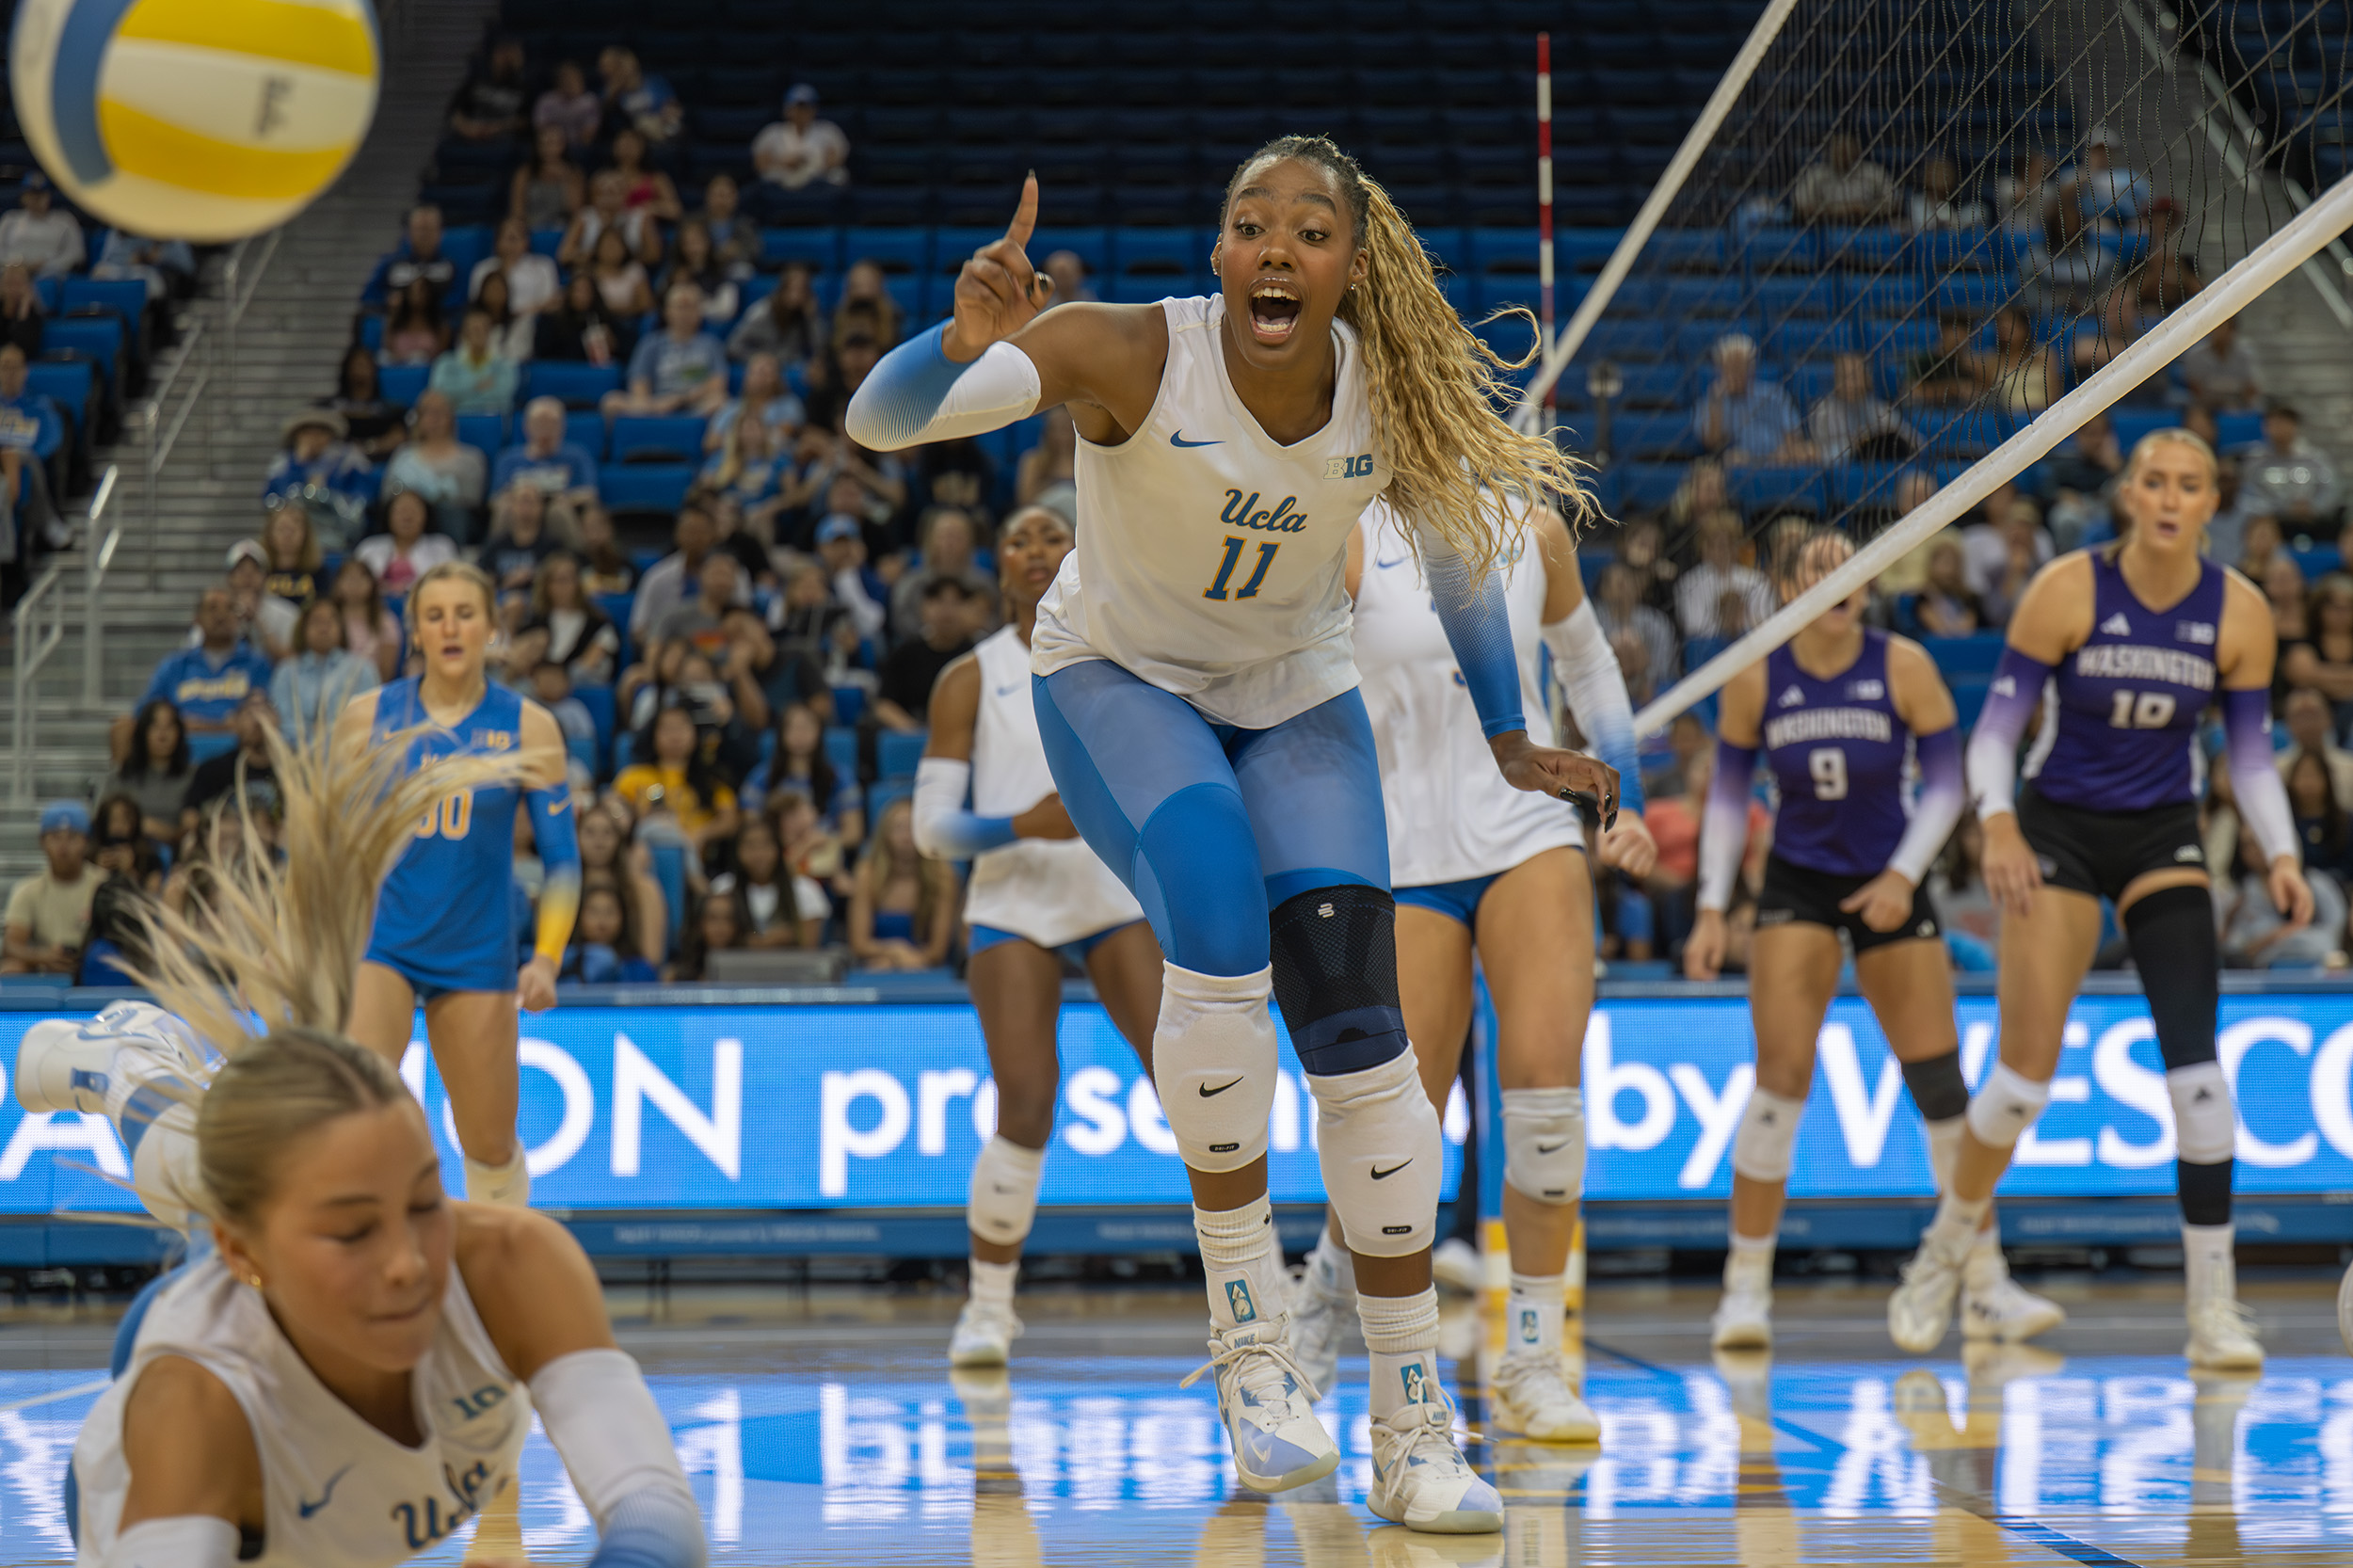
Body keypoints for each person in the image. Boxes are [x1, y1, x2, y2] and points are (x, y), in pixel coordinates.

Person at [844, 143, 1610, 1531]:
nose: (1273, 248)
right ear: (1217, 254)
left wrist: (1507, 730)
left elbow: (1447, 552)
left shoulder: (1392, 390)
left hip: (1291, 688)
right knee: (1208, 894)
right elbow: (879, 422)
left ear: (1349, 267)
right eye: (1248, 224)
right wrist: (953, 348)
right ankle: (1252, 1340)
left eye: (1308, 231)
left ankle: (1411, 1419)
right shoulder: (1128, 350)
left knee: (1364, 1037)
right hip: (1116, 678)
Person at [19, 737, 704, 1568]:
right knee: (225, 1180)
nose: (411, 1262)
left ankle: (152, 1093)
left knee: (261, 1169)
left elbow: (660, 1522)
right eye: (355, 1235)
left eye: (427, 1202)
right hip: (162, 1495)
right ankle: (123, 1068)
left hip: (253, 1303)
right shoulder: (198, 1410)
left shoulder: (515, 1265)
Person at [1887, 430, 2309, 1369]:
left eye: (2188, 485)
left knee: (2199, 1078)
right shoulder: (2068, 589)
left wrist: (2278, 853)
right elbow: (1995, 731)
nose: (2168, 498)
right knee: (2021, 1081)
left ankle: (2213, 1310)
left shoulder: (2238, 613)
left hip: (2162, 832)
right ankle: (1945, 1249)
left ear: (2210, 501)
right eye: (2153, 482)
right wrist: (1995, 823)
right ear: (2128, 495)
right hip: (2058, 831)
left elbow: (2247, 757)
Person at [1283, 488, 1656, 1440]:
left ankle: (1533, 1359)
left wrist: (1631, 802)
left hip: (1527, 832)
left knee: (1543, 1101)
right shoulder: (1347, 529)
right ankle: (1323, 1290)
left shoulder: (1530, 526)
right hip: (1403, 852)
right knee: (1398, 1123)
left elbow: (1588, 665)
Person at [1685, 530, 2063, 1347]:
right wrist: (1714, 906)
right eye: (1816, 567)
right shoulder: (1756, 674)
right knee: (1780, 1080)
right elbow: (1725, 800)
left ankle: (1985, 1283)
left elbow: (1947, 784)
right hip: (1798, 883)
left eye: (1848, 565)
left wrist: (1901, 875)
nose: (1836, 579)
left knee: (1939, 1083)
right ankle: (1744, 1290)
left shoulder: (1905, 665)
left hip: (1892, 874)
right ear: (1788, 586)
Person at [911, 504, 1161, 1364]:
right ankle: (988, 1306)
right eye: (1016, 539)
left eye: (1051, 535)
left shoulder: (1132, 652)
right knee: (1024, 1099)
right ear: (998, 563)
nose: (1034, 550)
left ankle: (1253, 1287)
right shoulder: (968, 678)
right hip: (1013, 895)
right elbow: (930, 830)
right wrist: (1022, 825)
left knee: (1192, 1078)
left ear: (1081, 548)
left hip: (1112, 886)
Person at [337, 561, 581, 1211]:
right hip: (380, 940)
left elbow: (562, 861)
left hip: (476, 949)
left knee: (490, 1148)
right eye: (434, 614)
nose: (450, 628)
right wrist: (289, 936)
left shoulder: (530, 728)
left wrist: (548, 959)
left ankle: (498, 1290)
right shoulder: (364, 720)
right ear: (414, 632)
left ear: (492, 630)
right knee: (355, 1110)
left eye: (465, 614)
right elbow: (319, 847)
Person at [130, 589, 274, 752]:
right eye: (212, 608)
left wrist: (197, 724)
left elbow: (268, 715)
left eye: (229, 609)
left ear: (238, 619)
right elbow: (144, 713)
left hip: (239, 753)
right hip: (179, 756)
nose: (221, 616)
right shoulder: (175, 665)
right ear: (196, 619)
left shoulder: (257, 665)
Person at [614, 700, 741, 857]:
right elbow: (613, 811)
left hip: (693, 859)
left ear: (695, 734)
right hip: (644, 855)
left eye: (681, 727)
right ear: (653, 735)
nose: (675, 735)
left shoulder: (711, 781)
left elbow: (731, 821)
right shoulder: (631, 777)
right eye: (667, 729)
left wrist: (702, 834)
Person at [849, 797, 957, 971]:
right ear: (885, 834)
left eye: (912, 829)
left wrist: (911, 961)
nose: (906, 837)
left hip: (928, 969)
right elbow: (859, 944)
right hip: (877, 965)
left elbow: (937, 951)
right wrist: (895, 951)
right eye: (898, 829)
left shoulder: (943, 876)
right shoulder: (867, 875)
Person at [2, 801, 100, 974]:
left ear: (86, 842)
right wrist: (43, 955)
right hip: (45, 967)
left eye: (72, 837)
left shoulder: (104, 884)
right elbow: (11, 944)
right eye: (55, 837)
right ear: (42, 842)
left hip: (95, 964)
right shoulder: (28, 889)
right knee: (11, 968)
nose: (63, 847)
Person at [605, 284, 729, 418]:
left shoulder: (711, 344)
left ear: (700, 312)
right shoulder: (650, 343)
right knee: (611, 401)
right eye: (680, 307)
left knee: (721, 401)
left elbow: (718, 383)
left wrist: (682, 399)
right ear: (667, 311)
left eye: (691, 307)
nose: (685, 313)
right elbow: (638, 385)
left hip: (697, 406)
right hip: (657, 405)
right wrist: (656, 404)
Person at [873, 578, 979, 732]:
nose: (947, 611)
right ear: (923, 608)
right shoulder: (905, 654)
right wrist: (914, 731)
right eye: (938, 601)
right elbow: (883, 705)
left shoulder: (979, 656)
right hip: (913, 738)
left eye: (955, 602)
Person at [272, 598, 381, 746]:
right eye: (317, 621)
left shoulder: (362, 670)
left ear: (341, 628)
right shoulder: (286, 672)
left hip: (348, 754)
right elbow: (282, 722)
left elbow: (367, 721)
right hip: (296, 755)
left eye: (331, 622)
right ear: (303, 628)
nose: (324, 628)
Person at [708, 813, 826, 948]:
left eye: (766, 845)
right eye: (750, 846)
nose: (759, 854)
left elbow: (809, 947)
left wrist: (790, 935)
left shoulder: (805, 890)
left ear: (778, 849)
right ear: (737, 851)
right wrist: (751, 941)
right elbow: (714, 938)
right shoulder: (723, 887)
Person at [1695, 334, 1810, 466]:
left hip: (1778, 464)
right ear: (1720, 370)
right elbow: (1712, 444)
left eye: (1740, 366)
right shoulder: (1712, 402)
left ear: (1752, 368)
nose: (1736, 373)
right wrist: (1717, 404)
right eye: (1731, 367)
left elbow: (1794, 438)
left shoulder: (1775, 395)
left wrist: (1785, 453)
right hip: (1737, 469)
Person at [104, 699, 194, 850]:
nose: (162, 735)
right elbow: (102, 821)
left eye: (169, 727)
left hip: (177, 856)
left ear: (179, 733)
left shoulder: (193, 777)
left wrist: (163, 831)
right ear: (142, 733)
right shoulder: (121, 777)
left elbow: (198, 829)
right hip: (125, 851)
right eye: (155, 727)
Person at [2235, 403, 2343, 529]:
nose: (2279, 428)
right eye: (2274, 423)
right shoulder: (2255, 461)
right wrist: (2282, 509)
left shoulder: (2315, 459)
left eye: (2284, 423)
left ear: (2295, 426)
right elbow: (2247, 496)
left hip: (2313, 523)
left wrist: (2314, 507)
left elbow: (2332, 489)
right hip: (2271, 524)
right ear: (2265, 427)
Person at [526, 552, 621, 685]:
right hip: (535, 688)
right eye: (559, 580)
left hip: (577, 689)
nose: (564, 586)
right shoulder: (536, 621)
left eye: (570, 579)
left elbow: (588, 665)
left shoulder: (598, 623)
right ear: (546, 585)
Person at [1807, 352, 1921, 463]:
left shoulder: (1880, 410)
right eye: (1844, 376)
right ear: (1836, 378)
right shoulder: (1823, 412)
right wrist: (1855, 445)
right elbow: (1820, 454)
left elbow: (1916, 443)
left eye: (1854, 376)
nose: (1850, 383)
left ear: (1866, 378)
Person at [495, 395, 600, 502]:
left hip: (564, 508)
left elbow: (590, 493)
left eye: (551, 423)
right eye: (539, 423)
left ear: (562, 426)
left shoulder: (578, 456)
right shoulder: (509, 459)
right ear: (526, 427)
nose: (545, 429)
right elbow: (495, 499)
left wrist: (558, 499)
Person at [356, 491, 459, 596]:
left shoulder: (442, 547)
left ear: (426, 515)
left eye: (413, 511)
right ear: (389, 515)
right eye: (401, 511)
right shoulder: (368, 548)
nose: (407, 517)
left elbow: (451, 586)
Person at [753, 84, 851, 191]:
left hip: (818, 180)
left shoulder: (828, 130)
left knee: (838, 176)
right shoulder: (771, 132)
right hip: (782, 179)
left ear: (814, 109)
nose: (801, 113)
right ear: (788, 109)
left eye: (806, 108)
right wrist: (784, 163)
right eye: (798, 108)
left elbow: (836, 159)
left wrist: (810, 162)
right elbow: (761, 164)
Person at [564, 880, 663, 982]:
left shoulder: (640, 971)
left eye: (609, 912)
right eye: (594, 912)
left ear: (623, 917)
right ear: (578, 917)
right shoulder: (563, 964)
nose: (602, 922)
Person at [428, 308, 520, 418]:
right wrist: (477, 385)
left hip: (494, 418)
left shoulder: (505, 365)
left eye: (484, 330)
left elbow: (503, 394)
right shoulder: (446, 363)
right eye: (475, 330)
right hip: (456, 420)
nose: (479, 334)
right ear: (464, 333)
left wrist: (460, 394)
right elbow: (440, 394)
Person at [361, 204, 456, 311]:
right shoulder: (390, 264)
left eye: (429, 229)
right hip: (398, 320)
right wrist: (388, 300)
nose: (424, 235)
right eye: (420, 229)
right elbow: (368, 295)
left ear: (440, 232)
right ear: (409, 232)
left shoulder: (449, 266)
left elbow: (458, 299)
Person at [728, 264, 825, 366]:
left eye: (801, 290)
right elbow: (733, 347)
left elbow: (820, 349)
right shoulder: (762, 313)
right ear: (782, 290)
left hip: (790, 367)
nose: (796, 296)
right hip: (764, 368)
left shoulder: (806, 316)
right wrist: (757, 358)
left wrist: (812, 318)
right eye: (792, 289)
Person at [1792, 132, 1898, 221]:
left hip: (1868, 227)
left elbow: (1892, 203)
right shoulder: (1816, 174)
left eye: (1845, 152)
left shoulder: (1875, 172)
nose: (1841, 157)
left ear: (1857, 152)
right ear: (1830, 153)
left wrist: (1866, 209)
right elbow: (1801, 205)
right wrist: (1838, 210)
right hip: (1825, 228)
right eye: (1838, 152)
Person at [332, 557, 406, 683]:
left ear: (372, 584)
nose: (355, 584)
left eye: (361, 578)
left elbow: (386, 673)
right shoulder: (329, 618)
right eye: (349, 578)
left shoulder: (385, 622)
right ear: (338, 584)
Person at [0, 172, 84, 278]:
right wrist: (17, 265)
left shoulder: (65, 220)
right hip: (12, 273)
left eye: (40, 195)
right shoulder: (10, 219)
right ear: (23, 197)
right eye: (31, 195)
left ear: (48, 196)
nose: (36, 199)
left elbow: (76, 254)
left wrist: (48, 265)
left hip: (51, 275)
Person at [2174, 315, 2263, 412]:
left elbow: (2251, 386)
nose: (2218, 333)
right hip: (2204, 403)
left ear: (2232, 331)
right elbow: (2194, 386)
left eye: (2222, 328)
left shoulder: (2246, 355)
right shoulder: (2195, 355)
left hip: (2238, 402)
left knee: (2258, 405)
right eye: (2215, 328)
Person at [512, 123, 586, 232]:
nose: (551, 148)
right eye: (547, 143)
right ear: (538, 145)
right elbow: (517, 210)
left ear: (564, 145)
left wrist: (566, 179)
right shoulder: (524, 173)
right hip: (530, 229)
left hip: (564, 230)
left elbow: (576, 211)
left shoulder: (574, 173)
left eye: (556, 143)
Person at [381, 275, 451, 366]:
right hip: (397, 371)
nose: (418, 294)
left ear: (430, 294)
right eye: (414, 290)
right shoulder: (394, 324)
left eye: (422, 290)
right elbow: (388, 352)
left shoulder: (441, 328)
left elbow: (442, 362)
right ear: (407, 294)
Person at [534, 57, 601, 149]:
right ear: (559, 81)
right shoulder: (547, 100)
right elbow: (540, 127)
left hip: (579, 146)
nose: (569, 82)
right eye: (566, 79)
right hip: (552, 147)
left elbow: (590, 131)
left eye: (573, 78)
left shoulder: (589, 101)